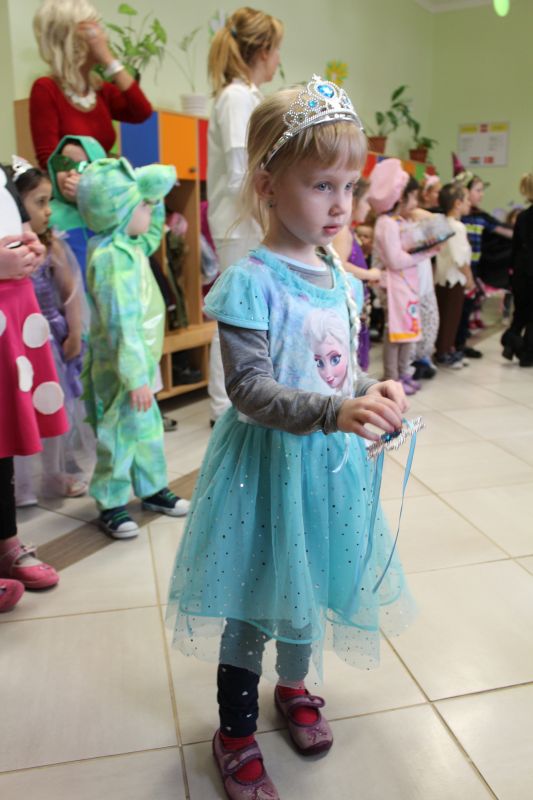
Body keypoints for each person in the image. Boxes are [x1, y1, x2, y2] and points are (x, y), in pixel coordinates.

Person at [166, 76, 415, 800]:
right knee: (255, 598)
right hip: (265, 470)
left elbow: (340, 367)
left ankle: (295, 685)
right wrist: (336, 411)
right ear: (269, 187)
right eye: (320, 185)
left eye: (350, 186)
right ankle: (235, 731)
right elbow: (250, 390)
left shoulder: (340, 274)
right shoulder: (252, 280)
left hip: (327, 469)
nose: (341, 204)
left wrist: (371, 391)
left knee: (313, 583)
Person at [77, 157, 190, 537]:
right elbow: (120, 324)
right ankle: (110, 502)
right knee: (118, 433)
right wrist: (134, 377)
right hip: (123, 369)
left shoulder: (130, 244)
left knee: (147, 427)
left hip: (140, 362)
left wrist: (156, 194)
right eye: (144, 204)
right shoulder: (111, 258)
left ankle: (152, 488)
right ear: (121, 211)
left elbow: (152, 229)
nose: (151, 210)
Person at [206, 6, 284, 424]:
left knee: (253, 313)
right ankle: (223, 408)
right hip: (240, 225)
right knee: (236, 315)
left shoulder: (249, 96)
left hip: (250, 221)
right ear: (264, 50)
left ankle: (246, 398)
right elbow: (242, 172)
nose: (278, 60)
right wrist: (272, 218)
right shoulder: (236, 98)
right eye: (277, 50)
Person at [0, 165, 68, 611]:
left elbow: (16, 221)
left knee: (1, 438)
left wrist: (30, 245)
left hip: (10, 303)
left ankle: (6, 543)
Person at [11, 158, 91, 505]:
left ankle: (55, 471)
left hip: (49, 342)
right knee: (19, 411)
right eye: (39, 202)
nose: (48, 210)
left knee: (54, 407)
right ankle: (21, 483)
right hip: (16, 345)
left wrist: (74, 333)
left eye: (49, 201)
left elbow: (71, 294)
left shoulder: (52, 245)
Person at [30, 0, 152, 171]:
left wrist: (109, 60)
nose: (103, 37)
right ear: (71, 39)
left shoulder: (102, 90)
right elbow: (49, 160)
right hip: (73, 186)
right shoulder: (46, 89)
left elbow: (142, 112)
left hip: (103, 184)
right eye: (94, 29)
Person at [369, 162, 438, 395]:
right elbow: (395, 260)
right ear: (400, 196)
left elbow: (407, 247)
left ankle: (404, 372)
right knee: (395, 333)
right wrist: (423, 254)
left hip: (406, 287)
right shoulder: (385, 223)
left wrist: (427, 244)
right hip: (394, 287)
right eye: (413, 196)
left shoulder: (398, 221)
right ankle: (392, 377)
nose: (416, 202)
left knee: (408, 332)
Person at [454, 169, 512, 357]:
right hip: (455, 271)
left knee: (467, 309)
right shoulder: (455, 215)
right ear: (465, 191)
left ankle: (461, 344)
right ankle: (449, 346)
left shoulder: (481, 217)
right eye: (478, 190)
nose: (482, 194)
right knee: (454, 309)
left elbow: (506, 231)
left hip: (473, 270)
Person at [332, 177, 380, 369]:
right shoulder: (343, 231)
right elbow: (340, 265)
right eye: (366, 201)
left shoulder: (348, 230)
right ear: (353, 201)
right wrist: (370, 274)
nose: (368, 207)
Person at [434, 183, 474, 368]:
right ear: (457, 203)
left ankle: (445, 348)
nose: (469, 204)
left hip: (442, 278)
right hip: (454, 279)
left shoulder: (443, 223)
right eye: (466, 200)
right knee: (451, 317)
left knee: (445, 315)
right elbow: (460, 259)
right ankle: (443, 352)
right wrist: (469, 278)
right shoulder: (457, 227)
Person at [501, 172, 533, 366]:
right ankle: (527, 354)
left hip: (521, 272)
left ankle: (510, 340)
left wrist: (511, 275)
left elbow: (514, 248)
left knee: (521, 312)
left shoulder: (522, 217)